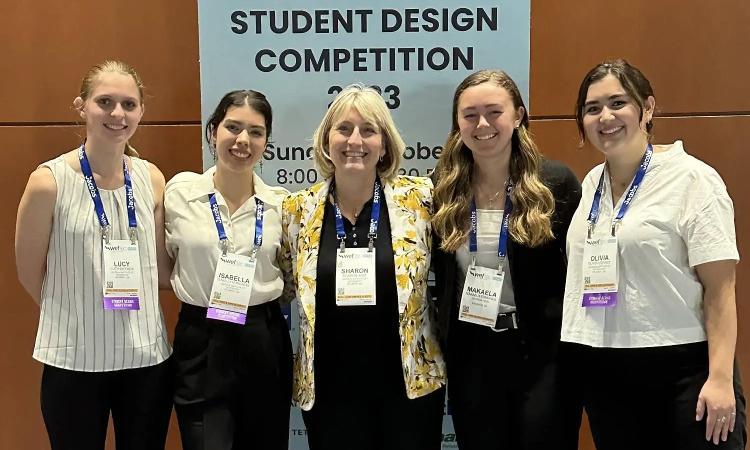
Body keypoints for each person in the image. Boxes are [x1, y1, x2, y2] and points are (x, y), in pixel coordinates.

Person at [562, 59, 746, 449]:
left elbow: (720, 289)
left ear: (647, 108)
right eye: (592, 108)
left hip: (684, 370)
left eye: (617, 103)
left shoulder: (692, 178)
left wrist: (719, 378)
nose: (605, 117)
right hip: (608, 370)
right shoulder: (593, 182)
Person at [14, 60, 172, 450]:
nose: (118, 114)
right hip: (74, 361)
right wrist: (79, 311)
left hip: (146, 359)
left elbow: (159, 270)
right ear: (81, 106)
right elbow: (30, 272)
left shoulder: (151, 177)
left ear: (140, 112)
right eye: (105, 102)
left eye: (129, 104)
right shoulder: (48, 181)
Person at [279, 84, 446, 450]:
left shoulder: (420, 200)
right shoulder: (297, 211)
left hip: (409, 389)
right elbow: (285, 286)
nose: (355, 139)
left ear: (384, 145)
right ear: (326, 141)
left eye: (369, 130)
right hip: (330, 393)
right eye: (344, 129)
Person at [430, 69, 582, 449]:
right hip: (473, 353)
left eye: (494, 112)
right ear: (457, 124)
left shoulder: (555, 184)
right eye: (469, 115)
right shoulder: (443, 188)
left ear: (518, 116)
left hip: (542, 355)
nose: (482, 124)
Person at [165, 90, 293, 450]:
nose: (242, 140)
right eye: (232, 127)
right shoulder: (180, 192)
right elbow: (165, 258)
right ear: (212, 132)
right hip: (201, 337)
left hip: (262, 336)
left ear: (267, 141)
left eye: (255, 131)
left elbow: (289, 273)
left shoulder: (281, 205)